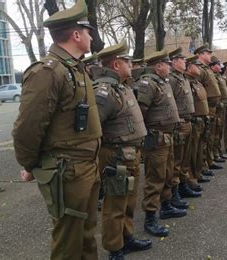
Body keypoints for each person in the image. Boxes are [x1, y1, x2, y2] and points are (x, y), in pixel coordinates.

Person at [12, 1, 102, 259]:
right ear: (76, 35)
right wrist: (29, 166)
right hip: (67, 172)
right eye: (88, 31)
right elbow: (27, 128)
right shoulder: (48, 72)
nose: (91, 36)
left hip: (85, 168)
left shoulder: (76, 68)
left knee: (85, 236)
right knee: (68, 244)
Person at [93, 41, 152, 259]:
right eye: (127, 61)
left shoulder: (123, 86)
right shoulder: (104, 91)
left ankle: (126, 238)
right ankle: (114, 248)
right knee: (114, 205)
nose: (132, 64)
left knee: (128, 202)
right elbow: (93, 128)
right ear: (116, 64)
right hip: (116, 156)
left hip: (130, 155)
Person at [135, 49, 186, 237]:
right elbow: (140, 113)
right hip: (156, 138)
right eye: (167, 63)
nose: (170, 66)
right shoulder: (148, 84)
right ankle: (150, 218)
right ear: (158, 66)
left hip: (167, 136)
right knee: (154, 179)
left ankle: (166, 206)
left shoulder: (162, 82)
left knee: (167, 174)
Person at [167, 47, 200, 204]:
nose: (185, 61)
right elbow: (169, 103)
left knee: (185, 158)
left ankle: (183, 185)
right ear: (174, 62)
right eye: (182, 59)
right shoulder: (172, 79)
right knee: (177, 161)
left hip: (187, 122)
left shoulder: (182, 78)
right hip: (179, 124)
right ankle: (174, 193)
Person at [194, 44, 223, 173]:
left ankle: (209, 160)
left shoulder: (206, 69)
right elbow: (198, 89)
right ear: (200, 54)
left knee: (211, 135)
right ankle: (204, 165)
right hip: (207, 108)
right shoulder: (199, 70)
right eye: (207, 53)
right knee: (205, 138)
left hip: (213, 107)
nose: (209, 55)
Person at [185, 55, 211, 191]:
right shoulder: (187, 83)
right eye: (197, 66)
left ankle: (198, 174)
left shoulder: (196, 82)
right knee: (192, 152)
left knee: (199, 149)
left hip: (202, 120)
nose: (200, 68)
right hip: (194, 121)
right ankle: (191, 179)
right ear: (189, 68)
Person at [209, 56, 227, 163]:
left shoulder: (218, 76)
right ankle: (214, 156)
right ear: (212, 67)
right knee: (214, 133)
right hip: (216, 108)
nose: (220, 67)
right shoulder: (213, 77)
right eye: (217, 65)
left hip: (221, 107)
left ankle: (218, 153)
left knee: (219, 132)